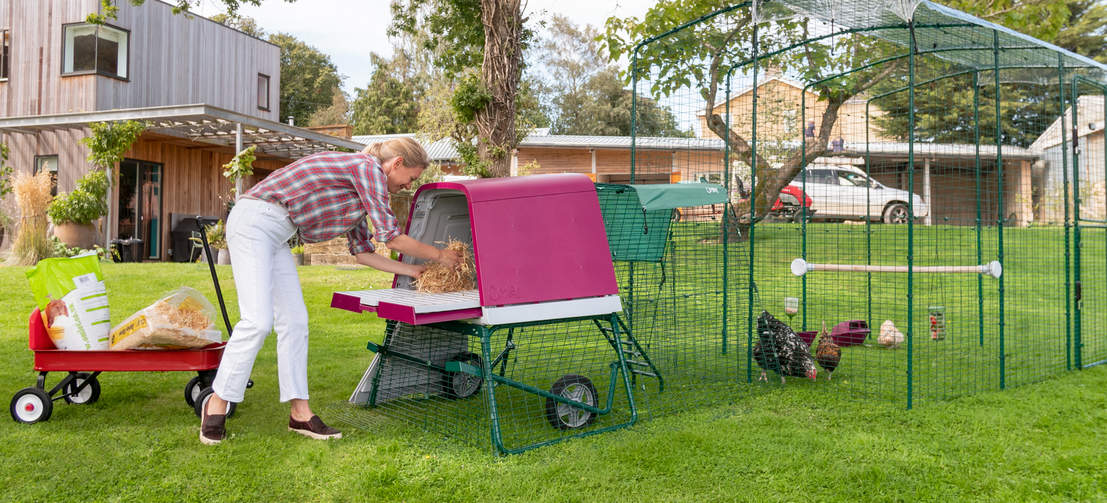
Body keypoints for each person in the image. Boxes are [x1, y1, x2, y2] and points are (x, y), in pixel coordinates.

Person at [199, 137, 461, 445]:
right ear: (397, 164)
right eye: (411, 178)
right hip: (255, 219)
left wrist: (412, 270)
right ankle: (216, 403)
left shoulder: (362, 194)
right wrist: (440, 255)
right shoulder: (367, 168)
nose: (408, 185)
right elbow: (390, 237)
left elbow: (363, 253)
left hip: (279, 233)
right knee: (257, 321)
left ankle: (300, 414)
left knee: (295, 322)